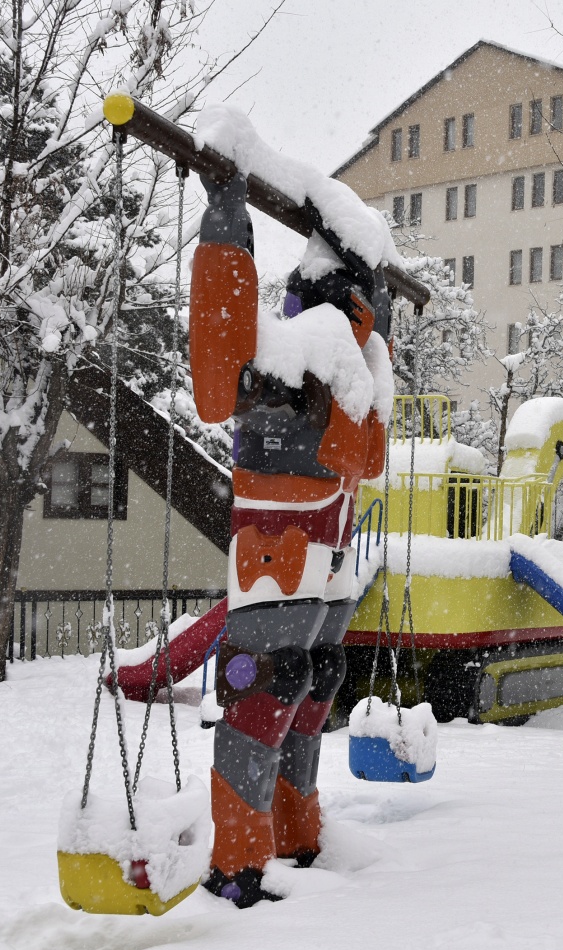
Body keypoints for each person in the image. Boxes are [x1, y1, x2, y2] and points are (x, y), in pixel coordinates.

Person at [188, 172, 389, 907]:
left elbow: (220, 375)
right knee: (285, 680)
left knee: (286, 683)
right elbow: (218, 379)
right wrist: (226, 225)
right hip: (299, 564)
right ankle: (267, 846)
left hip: (297, 563)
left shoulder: (329, 364)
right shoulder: (330, 366)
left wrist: (226, 230)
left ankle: (266, 847)